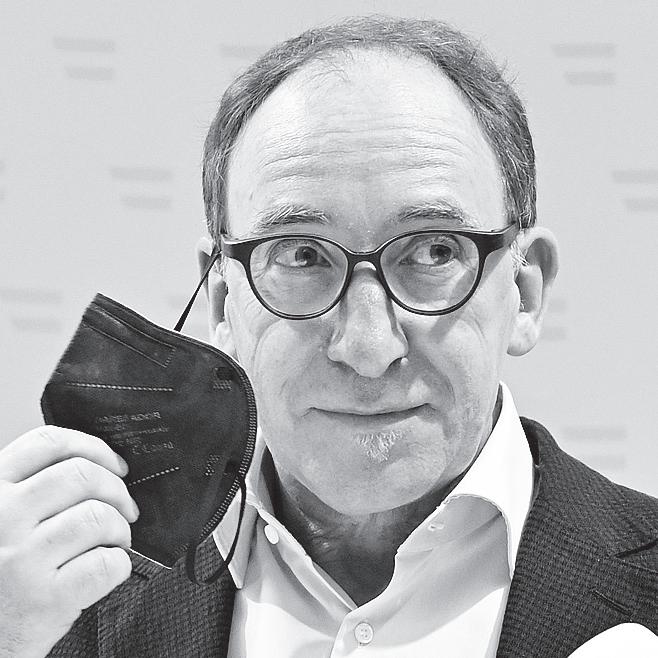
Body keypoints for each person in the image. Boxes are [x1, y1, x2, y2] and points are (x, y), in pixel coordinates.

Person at [1, 16, 656, 658]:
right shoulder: (53, 614)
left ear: (526, 291)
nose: (369, 348)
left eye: (433, 251)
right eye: (302, 256)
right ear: (224, 301)